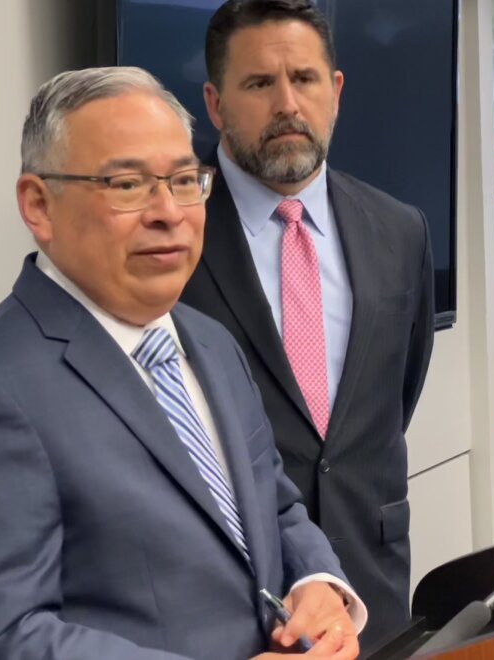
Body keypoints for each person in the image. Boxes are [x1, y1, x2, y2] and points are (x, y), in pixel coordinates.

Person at [0, 66, 366, 660]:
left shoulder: (210, 342)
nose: (168, 212)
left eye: (184, 179)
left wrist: (319, 585)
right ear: (38, 205)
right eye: (127, 185)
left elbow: (273, 505)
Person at [180, 0, 435, 647]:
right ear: (215, 104)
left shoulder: (400, 230)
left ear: (336, 91)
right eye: (259, 84)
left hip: (373, 592)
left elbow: (393, 399)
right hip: (236, 597)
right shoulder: (174, 236)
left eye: (305, 79)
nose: (287, 104)